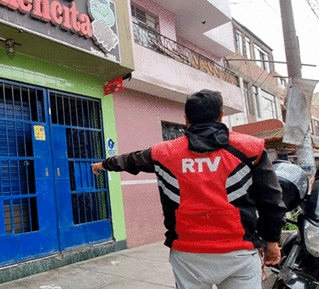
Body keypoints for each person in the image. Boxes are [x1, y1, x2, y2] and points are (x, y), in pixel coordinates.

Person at [91, 89, 287, 289]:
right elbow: (271, 199)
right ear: (220, 116)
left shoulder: (163, 153)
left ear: (186, 118)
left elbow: (131, 160)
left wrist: (104, 164)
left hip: (187, 255)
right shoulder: (250, 149)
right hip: (240, 254)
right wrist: (272, 240)